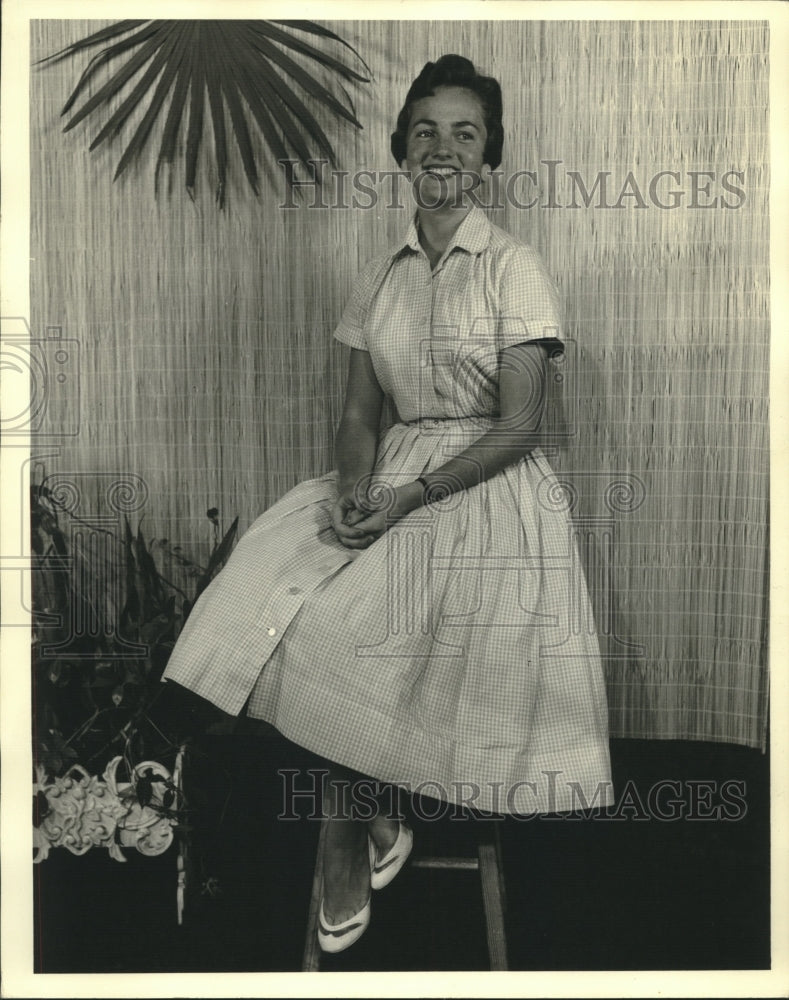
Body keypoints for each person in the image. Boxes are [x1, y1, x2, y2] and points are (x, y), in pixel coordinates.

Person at [162, 54, 613, 954]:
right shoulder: (383, 275)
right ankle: (371, 817)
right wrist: (357, 490)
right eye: (425, 132)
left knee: (355, 628)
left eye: (465, 133)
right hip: (393, 474)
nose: (443, 149)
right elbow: (357, 415)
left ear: (488, 157)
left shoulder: (512, 265)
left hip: (484, 489)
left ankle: (342, 825)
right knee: (268, 590)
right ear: (401, 150)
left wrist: (410, 496)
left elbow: (521, 425)